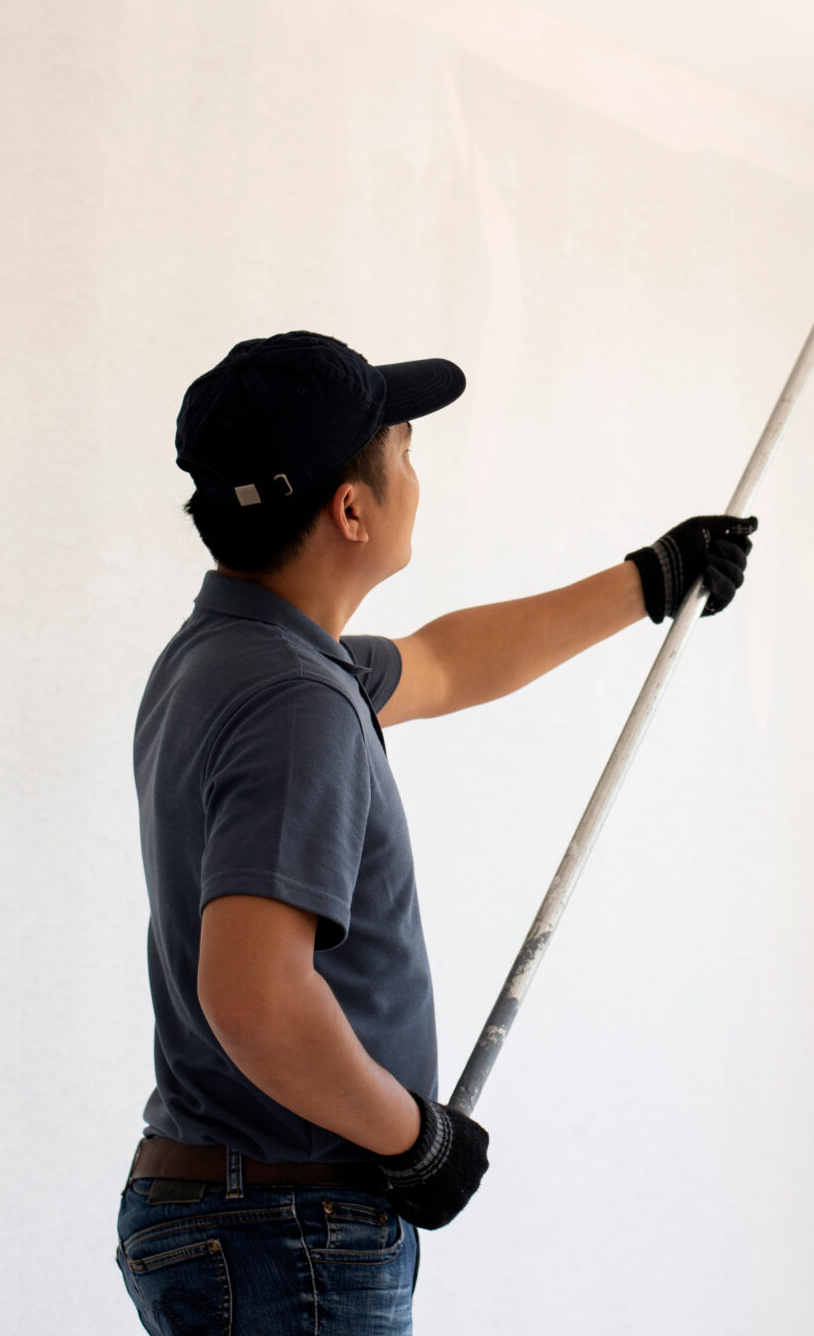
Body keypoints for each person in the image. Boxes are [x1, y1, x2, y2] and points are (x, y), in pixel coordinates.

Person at [118, 332, 757, 1335]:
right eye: (403, 450)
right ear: (351, 507)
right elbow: (255, 996)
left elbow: (445, 661)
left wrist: (649, 577)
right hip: (291, 1221)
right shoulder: (295, 698)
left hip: (243, 1209)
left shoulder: (236, 655)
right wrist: (413, 1138)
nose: (416, 471)